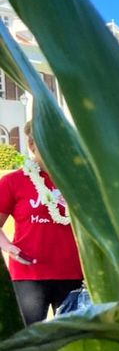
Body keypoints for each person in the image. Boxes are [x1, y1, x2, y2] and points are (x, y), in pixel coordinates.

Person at [0, 120, 83, 325]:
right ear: (31, 145)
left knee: (70, 340)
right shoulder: (13, 182)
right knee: (26, 337)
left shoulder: (78, 182)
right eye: (45, 141)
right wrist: (8, 246)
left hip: (73, 274)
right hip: (29, 276)